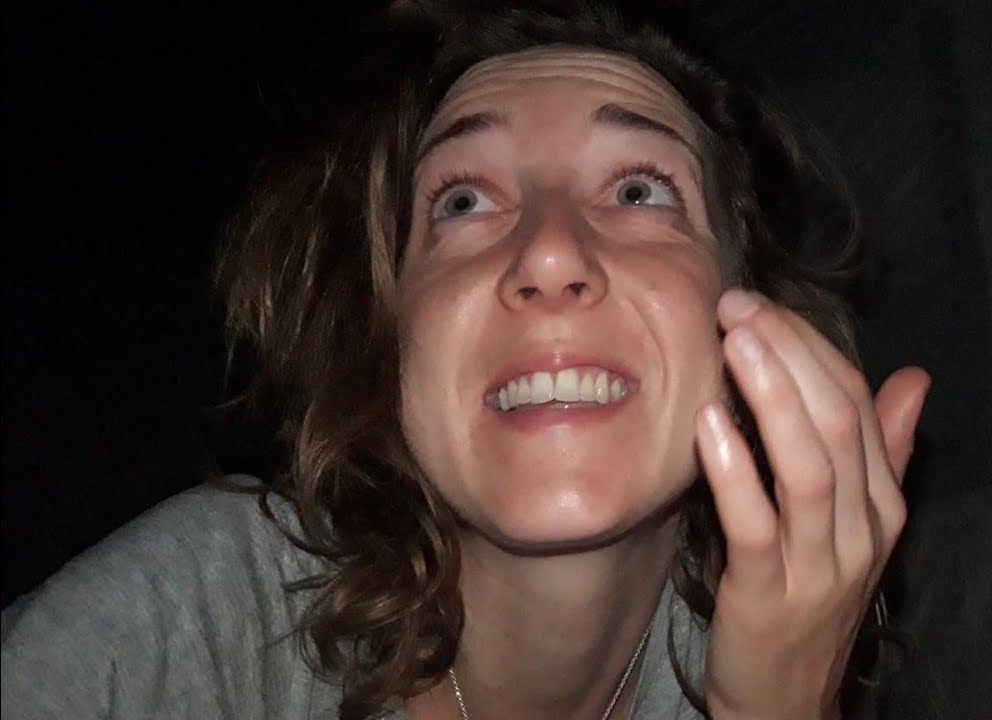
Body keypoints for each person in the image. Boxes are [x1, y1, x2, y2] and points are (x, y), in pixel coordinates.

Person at [1, 2, 930, 718]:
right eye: (462, 203)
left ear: (750, 312)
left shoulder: (778, 655)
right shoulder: (193, 628)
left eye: (640, 190)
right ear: (391, 329)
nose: (550, 253)